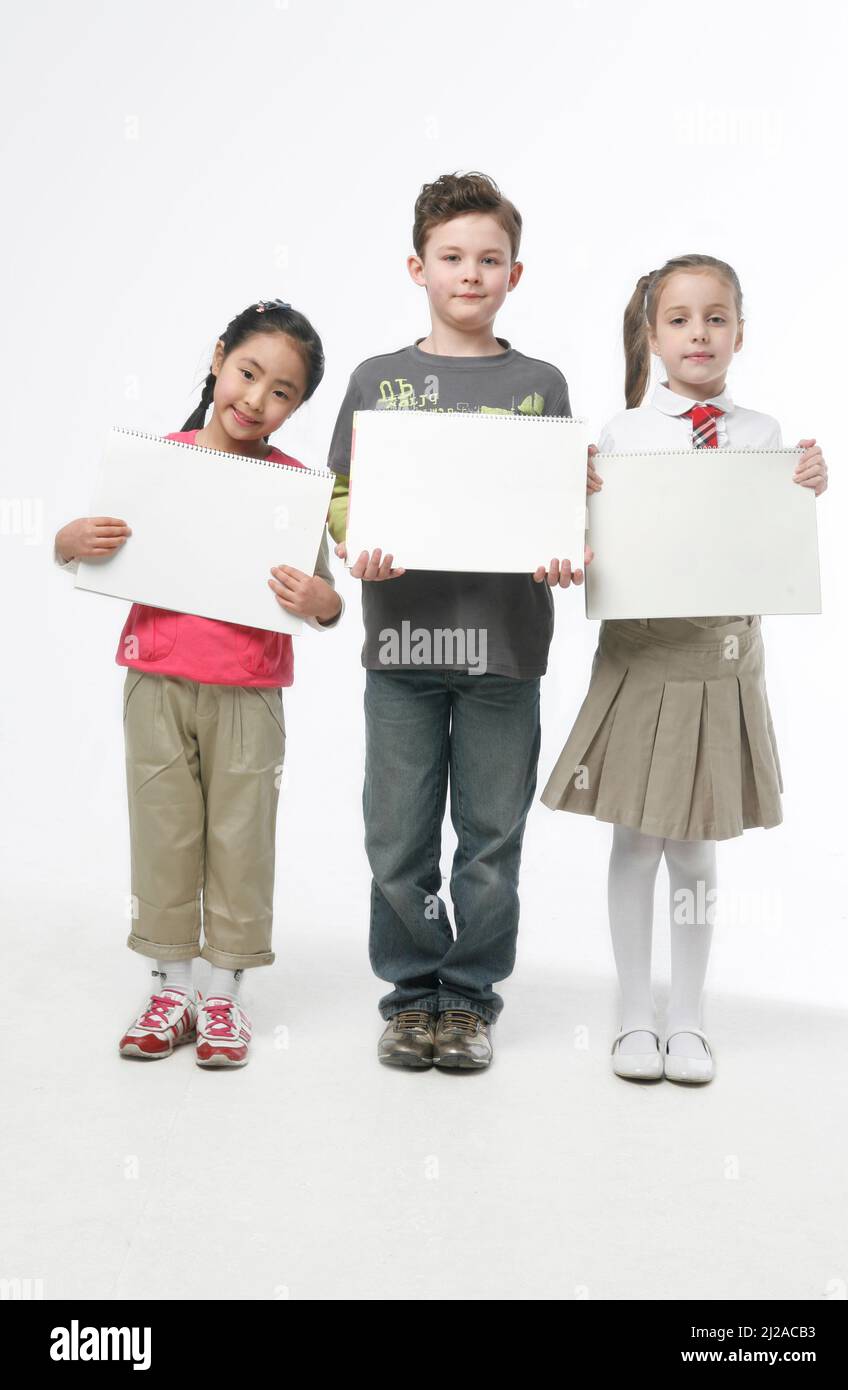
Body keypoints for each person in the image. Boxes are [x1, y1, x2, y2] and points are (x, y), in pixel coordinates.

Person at [541, 254, 828, 1083]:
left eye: (716, 317)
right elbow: (599, 544)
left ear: (740, 330)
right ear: (652, 334)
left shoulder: (765, 436)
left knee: (697, 848)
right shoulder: (620, 438)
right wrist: (576, 502)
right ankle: (635, 1014)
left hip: (722, 660)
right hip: (643, 654)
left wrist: (811, 483)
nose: (698, 333)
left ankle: (690, 1018)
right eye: (679, 319)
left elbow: (774, 542)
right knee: (636, 840)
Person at [326, 171, 588, 1069]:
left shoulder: (540, 382)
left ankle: (469, 999)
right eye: (452, 258)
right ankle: (410, 997)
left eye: (489, 259)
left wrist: (564, 550)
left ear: (515, 273)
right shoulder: (377, 379)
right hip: (400, 645)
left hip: (506, 652)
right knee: (398, 839)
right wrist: (353, 543)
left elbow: (565, 511)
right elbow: (340, 499)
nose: (470, 274)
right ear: (417, 267)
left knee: (489, 842)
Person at [55, 298, 343, 1069]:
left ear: (299, 405)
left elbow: (327, 598)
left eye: (281, 391)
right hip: (156, 683)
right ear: (218, 359)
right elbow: (87, 546)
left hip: (250, 695)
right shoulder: (156, 463)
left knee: (241, 841)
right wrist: (66, 540)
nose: (256, 400)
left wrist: (324, 604)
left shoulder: (293, 490)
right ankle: (170, 987)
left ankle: (224, 997)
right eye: (248, 373)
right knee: (165, 834)